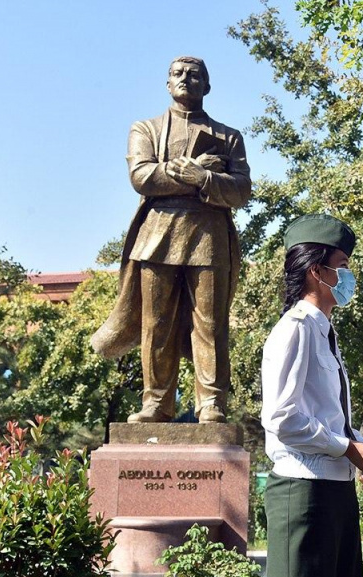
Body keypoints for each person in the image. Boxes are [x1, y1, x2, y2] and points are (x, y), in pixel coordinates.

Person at [256, 214, 363, 577]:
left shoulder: (324, 332)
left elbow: (321, 416)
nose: (348, 277)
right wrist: (347, 448)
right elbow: (282, 418)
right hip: (302, 492)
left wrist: (356, 443)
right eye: (343, 265)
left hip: (331, 490)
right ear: (317, 271)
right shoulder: (294, 328)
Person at [92, 56, 252, 423]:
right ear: (167, 84)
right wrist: (191, 173)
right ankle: (157, 403)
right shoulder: (145, 129)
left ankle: (211, 402)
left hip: (210, 237)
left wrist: (206, 180)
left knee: (210, 323)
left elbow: (242, 189)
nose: (186, 79)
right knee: (156, 323)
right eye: (178, 74)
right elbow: (142, 177)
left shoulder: (229, 137)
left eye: (195, 75)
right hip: (158, 234)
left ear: (206, 86)